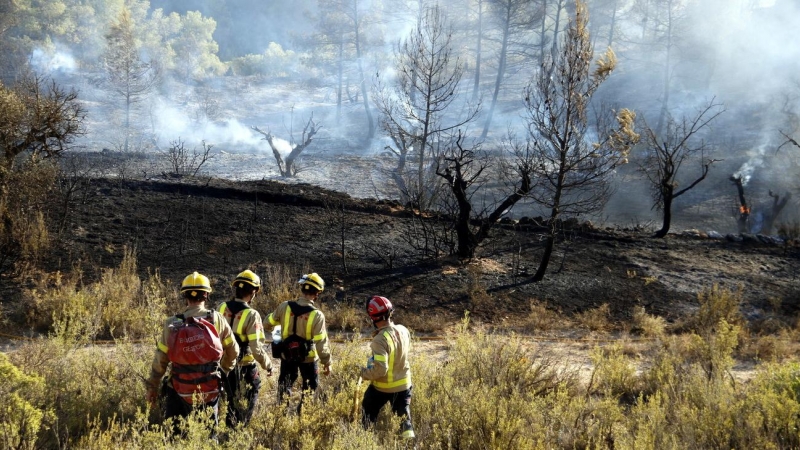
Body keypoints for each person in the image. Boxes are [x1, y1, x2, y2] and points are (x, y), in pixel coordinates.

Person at [145, 271, 239, 435]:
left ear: (184, 295)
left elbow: (160, 360)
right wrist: (223, 371)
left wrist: (152, 387)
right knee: (209, 436)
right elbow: (233, 351)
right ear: (207, 295)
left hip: (179, 388)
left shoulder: (172, 323)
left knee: (175, 435)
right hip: (209, 388)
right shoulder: (217, 319)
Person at [266, 272, 332, 410]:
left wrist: (281, 323)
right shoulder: (317, 315)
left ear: (302, 289)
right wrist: (327, 362)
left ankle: (281, 416)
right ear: (317, 293)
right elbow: (321, 343)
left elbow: (267, 323)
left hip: (286, 355)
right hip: (308, 359)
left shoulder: (284, 306)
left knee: (284, 386)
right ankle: (302, 415)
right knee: (309, 388)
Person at [218, 270, 273, 428]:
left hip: (223, 366)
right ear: (254, 292)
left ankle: (228, 430)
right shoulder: (252, 315)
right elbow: (256, 348)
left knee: (229, 402)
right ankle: (238, 434)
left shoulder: (221, 307)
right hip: (245, 368)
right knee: (246, 403)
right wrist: (267, 365)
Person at [360, 295, 415, 440]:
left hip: (382, 387)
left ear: (372, 317)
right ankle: (411, 444)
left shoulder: (379, 340)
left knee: (368, 411)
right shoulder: (403, 330)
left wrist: (364, 374)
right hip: (404, 386)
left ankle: (365, 440)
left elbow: (380, 370)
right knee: (405, 420)